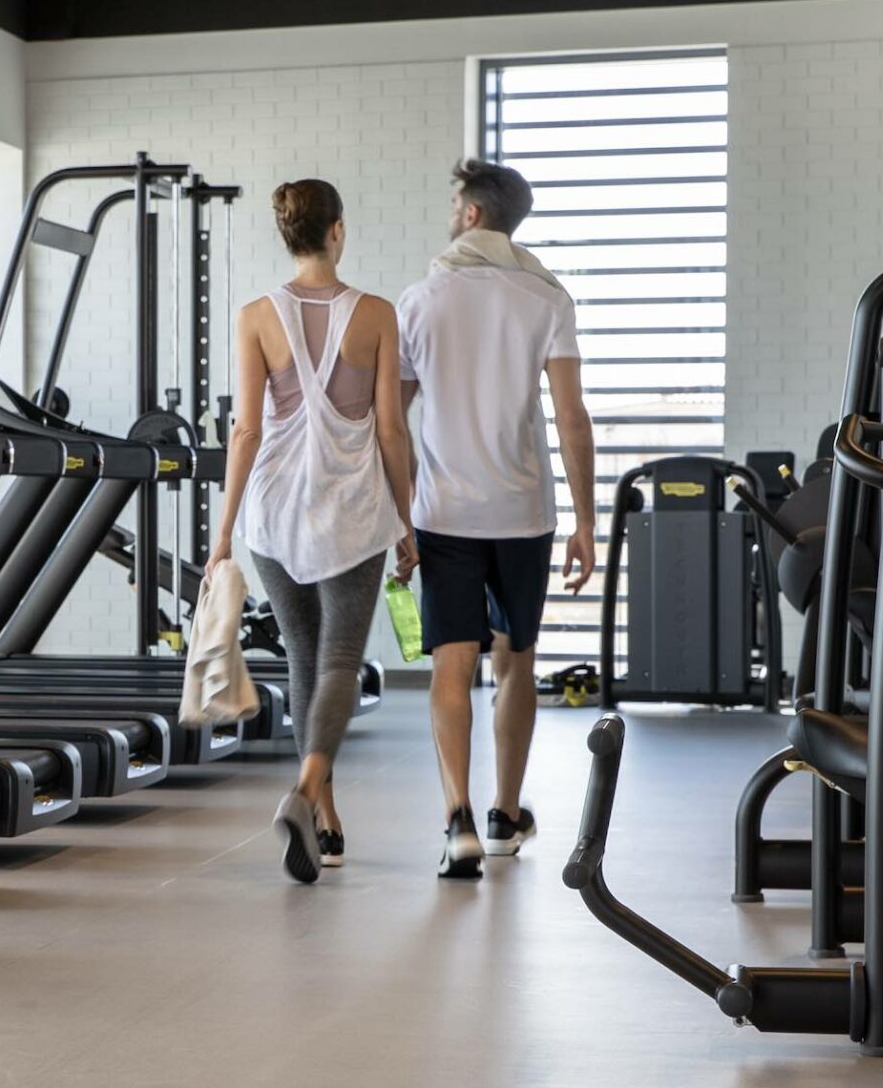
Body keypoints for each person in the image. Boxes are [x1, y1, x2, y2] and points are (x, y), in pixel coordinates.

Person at [208, 179, 417, 884]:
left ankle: (327, 824)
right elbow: (391, 428)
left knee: (303, 656)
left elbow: (245, 430)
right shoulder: (378, 314)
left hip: (273, 510)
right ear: (338, 231)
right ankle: (304, 796)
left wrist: (224, 531)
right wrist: (408, 521)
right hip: (351, 512)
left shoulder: (256, 316)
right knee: (337, 664)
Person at [397, 158, 595, 880]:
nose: (450, 213)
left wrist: (399, 513)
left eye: (455, 203)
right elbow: (572, 418)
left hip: (444, 512)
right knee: (515, 661)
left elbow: (393, 420)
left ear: (473, 215)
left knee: (452, 662)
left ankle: (457, 822)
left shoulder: (419, 299)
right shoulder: (547, 297)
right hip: (523, 512)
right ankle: (505, 817)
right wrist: (586, 520)